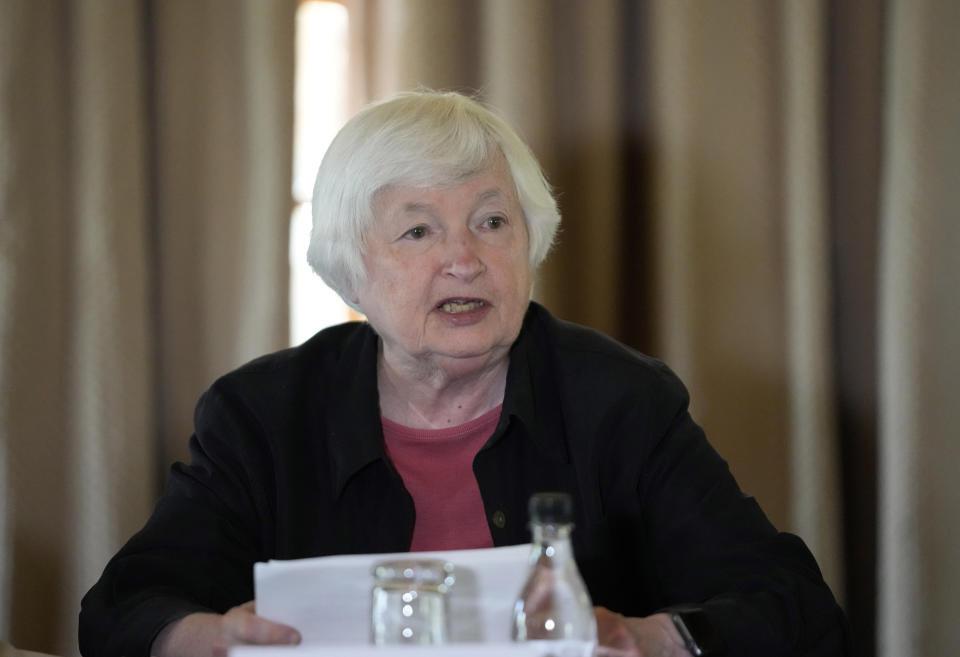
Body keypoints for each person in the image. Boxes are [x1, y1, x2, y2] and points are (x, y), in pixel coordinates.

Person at [79, 90, 848, 657]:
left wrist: (647, 637)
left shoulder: (620, 400)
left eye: (491, 221)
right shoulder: (262, 413)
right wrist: (208, 638)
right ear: (352, 275)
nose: (464, 258)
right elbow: (123, 607)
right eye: (418, 229)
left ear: (528, 243)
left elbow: (793, 606)